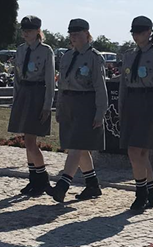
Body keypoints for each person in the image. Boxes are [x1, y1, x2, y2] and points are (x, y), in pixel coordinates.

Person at [50, 19, 109, 204]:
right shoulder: (67, 56)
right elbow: (62, 85)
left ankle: (63, 185)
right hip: (69, 103)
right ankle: (92, 185)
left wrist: (100, 112)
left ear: (87, 34)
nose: (74, 37)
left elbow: (100, 87)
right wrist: (59, 108)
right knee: (78, 147)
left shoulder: (94, 57)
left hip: (86, 103)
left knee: (76, 146)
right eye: (71, 34)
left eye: (77, 33)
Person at [118, 16, 153, 213]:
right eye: (134, 32)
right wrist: (121, 107)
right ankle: (151, 192)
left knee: (135, 151)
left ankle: (141, 194)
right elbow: (123, 85)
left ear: (149, 32)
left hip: (149, 103)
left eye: (140, 32)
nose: (136, 36)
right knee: (141, 153)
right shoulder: (129, 56)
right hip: (132, 102)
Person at [8, 16, 55, 197]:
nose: (26, 33)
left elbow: (50, 80)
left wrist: (47, 105)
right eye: (24, 30)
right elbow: (17, 78)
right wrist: (16, 100)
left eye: (29, 30)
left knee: (30, 141)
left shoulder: (45, 51)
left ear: (37, 31)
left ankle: (42, 178)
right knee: (27, 141)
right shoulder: (20, 50)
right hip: (23, 94)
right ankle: (33, 178)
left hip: (37, 94)